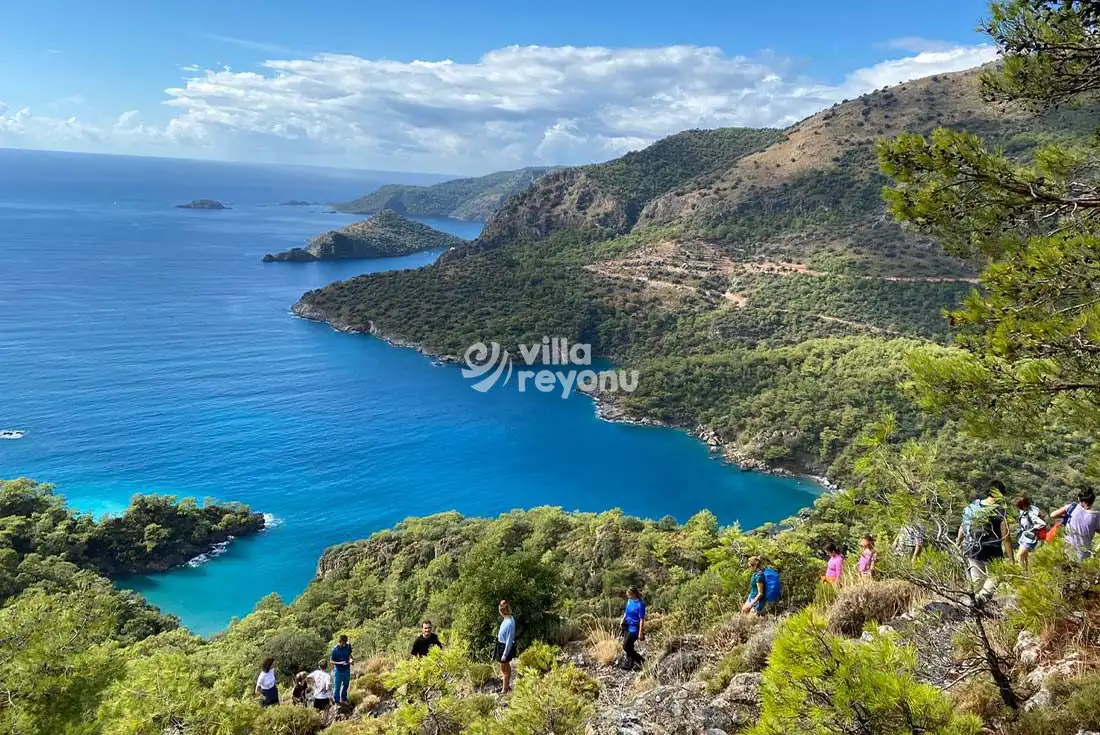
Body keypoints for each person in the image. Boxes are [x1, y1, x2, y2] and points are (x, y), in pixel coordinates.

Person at [957, 481, 1014, 601]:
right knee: (997, 576)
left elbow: (963, 525)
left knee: (977, 582)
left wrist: (959, 542)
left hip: (972, 548)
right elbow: (1006, 538)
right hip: (992, 550)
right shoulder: (1000, 512)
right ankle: (981, 599)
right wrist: (1011, 559)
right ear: (1001, 494)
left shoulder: (972, 507)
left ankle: (974, 605)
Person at [1052, 489, 1100, 561]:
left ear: (1079, 499)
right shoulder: (1096, 516)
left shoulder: (1072, 507)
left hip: (1067, 549)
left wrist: (1066, 516)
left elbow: (1053, 515)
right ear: (1092, 501)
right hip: (1084, 554)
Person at [1015, 495, 1047, 571]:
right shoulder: (1024, 510)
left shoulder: (1032, 513)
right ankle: (1025, 573)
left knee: (1019, 556)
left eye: (1020, 507)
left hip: (1030, 538)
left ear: (1023, 505)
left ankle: (1021, 574)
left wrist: (1032, 529)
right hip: (1024, 536)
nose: (1019, 509)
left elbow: (1042, 523)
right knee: (1024, 557)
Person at [621, 586, 646, 669]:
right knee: (629, 646)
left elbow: (642, 619)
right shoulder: (629, 600)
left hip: (634, 628)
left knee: (625, 646)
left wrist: (640, 632)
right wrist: (622, 620)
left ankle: (641, 660)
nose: (628, 596)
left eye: (629, 594)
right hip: (627, 625)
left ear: (634, 594)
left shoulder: (640, 604)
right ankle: (629, 664)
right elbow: (626, 612)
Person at [494, 600, 516, 694]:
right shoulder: (507, 618)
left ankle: (504, 690)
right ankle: (506, 686)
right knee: (504, 668)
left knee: (505, 669)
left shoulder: (510, 622)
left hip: (504, 647)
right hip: (500, 645)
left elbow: (509, 640)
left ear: (502, 611)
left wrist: (505, 654)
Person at [330, 634, 353, 705]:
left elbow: (350, 655)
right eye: (343, 643)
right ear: (340, 641)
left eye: (345, 642)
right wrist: (339, 663)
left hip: (347, 669)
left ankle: (344, 698)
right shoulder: (334, 650)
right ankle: (337, 701)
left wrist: (351, 660)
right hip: (338, 670)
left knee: (346, 685)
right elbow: (331, 661)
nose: (344, 644)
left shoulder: (348, 646)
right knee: (337, 687)